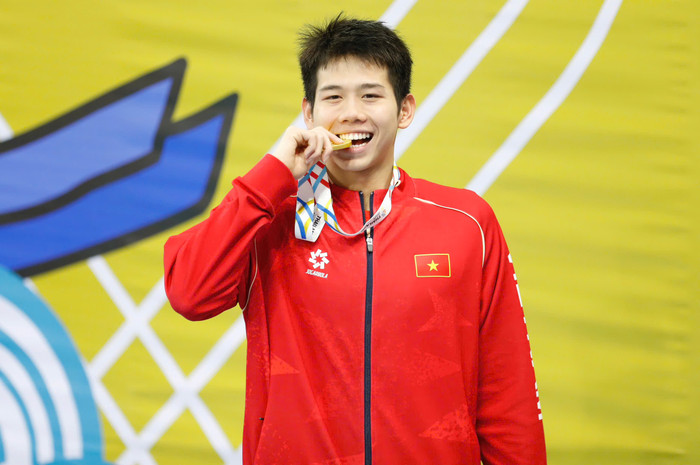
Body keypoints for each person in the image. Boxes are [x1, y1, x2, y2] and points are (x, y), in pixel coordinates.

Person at [164, 14, 546, 465]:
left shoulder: (466, 222)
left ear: (405, 110)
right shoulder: (269, 219)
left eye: (370, 95)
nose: (351, 112)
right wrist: (272, 175)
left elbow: (507, 393)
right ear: (309, 114)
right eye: (333, 96)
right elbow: (189, 293)